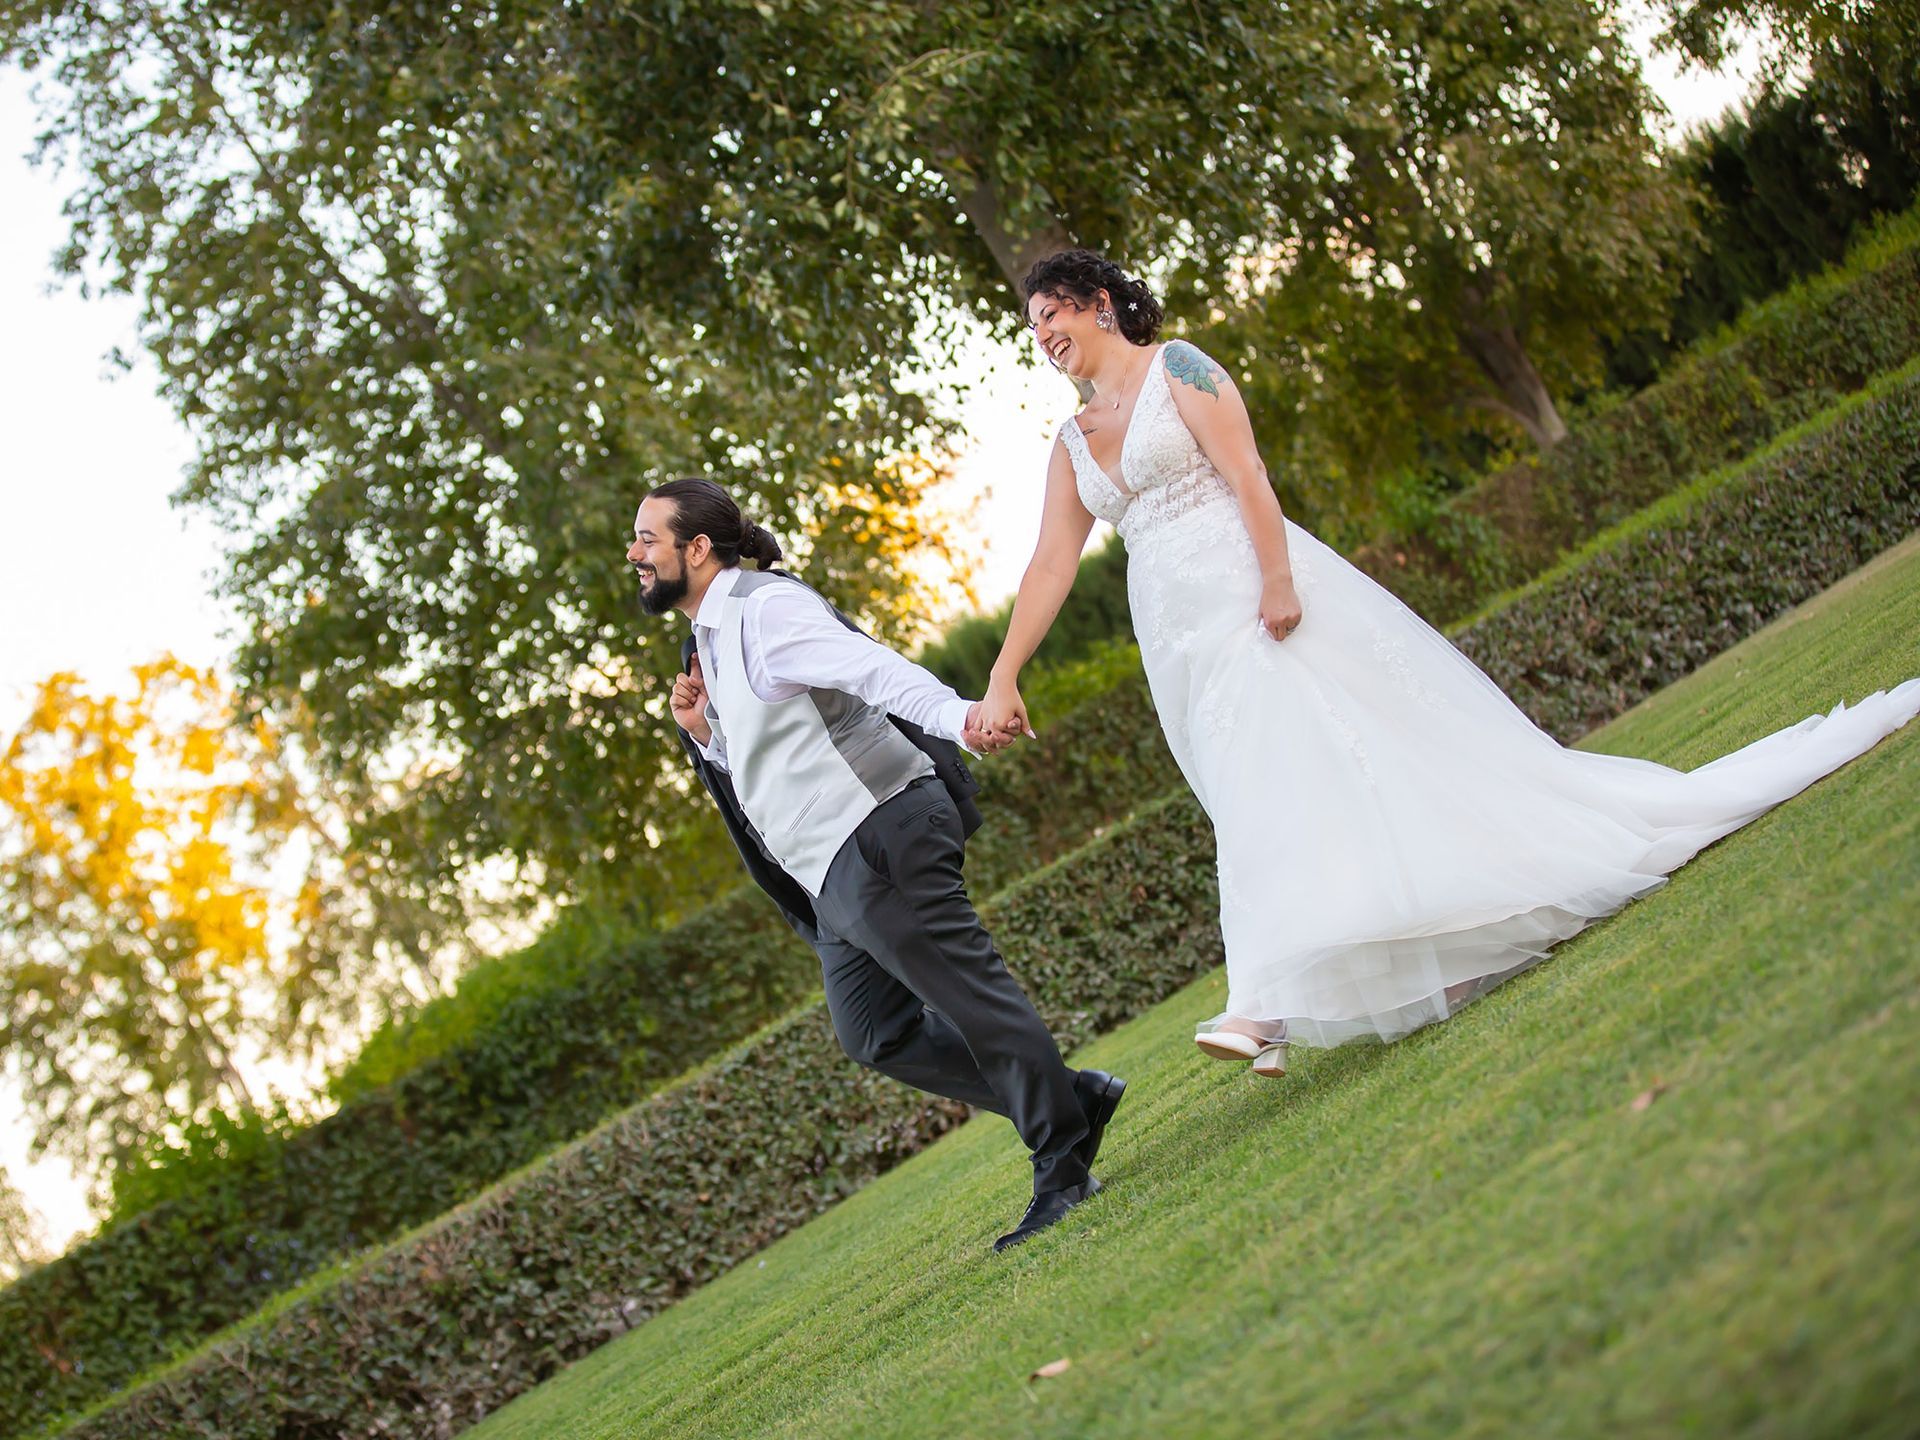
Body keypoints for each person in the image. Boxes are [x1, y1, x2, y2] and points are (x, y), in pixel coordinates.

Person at [979, 248, 1920, 1077]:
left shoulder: (1181, 367)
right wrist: (1003, 673)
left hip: (1248, 600)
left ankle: (1262, 1002)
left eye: (1052, 312)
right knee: (1280, 788)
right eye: (1033, 328)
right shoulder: (1071, 442)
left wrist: (1276, 580)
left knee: (1272, 776)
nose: (1045, 335)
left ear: (1099, 300)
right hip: (1176, 641)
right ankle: (1384, 969)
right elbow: (1052, 563)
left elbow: (1249, 478)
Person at [629, 476, 1125, 1251]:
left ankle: (1063, 1164)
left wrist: (965, 717)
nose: (636, 553)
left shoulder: (766, 609)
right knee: (874, 1033)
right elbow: (767, 756)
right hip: (830, 871)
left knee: (971, 997)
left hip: (879, 826)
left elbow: (874, 671)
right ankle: (1070, 1098)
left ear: (697, 549)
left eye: (648, 539)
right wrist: (702, 732)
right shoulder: (710, 642)